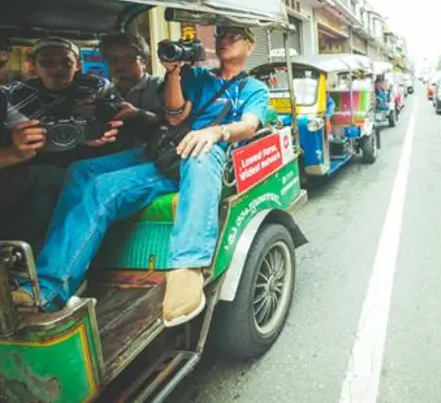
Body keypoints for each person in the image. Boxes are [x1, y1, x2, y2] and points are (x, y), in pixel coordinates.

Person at [12, 27, 269, 328]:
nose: (225, 39)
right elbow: (173, 115)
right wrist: (174, 72)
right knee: (84, 174)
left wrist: (217, 132)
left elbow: (249, 126)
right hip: (170, 150)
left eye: (235, 36)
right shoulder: (198, 77)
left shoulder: (254, 88)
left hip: (206, 160)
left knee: (193, 153)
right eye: (221, 34)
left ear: (250, 47)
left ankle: (188, 266)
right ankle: (62, 267)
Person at [0, 37, 121, 247]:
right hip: (29, 172)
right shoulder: (12, 96)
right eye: (47, 62)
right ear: (33, 66)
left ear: (78, 65)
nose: (57, 69)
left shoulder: (96, 89)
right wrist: (15, 151)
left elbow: (122, 122)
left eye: (65, 62)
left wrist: (102, 121)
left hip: (84, 168)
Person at [100, 33, 165, 149]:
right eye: (113, 60)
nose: (120, 65)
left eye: (129, 59)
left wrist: (140, 114)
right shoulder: (106, 92)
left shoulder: (161, 85)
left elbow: (174, 121)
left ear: (144, 62)